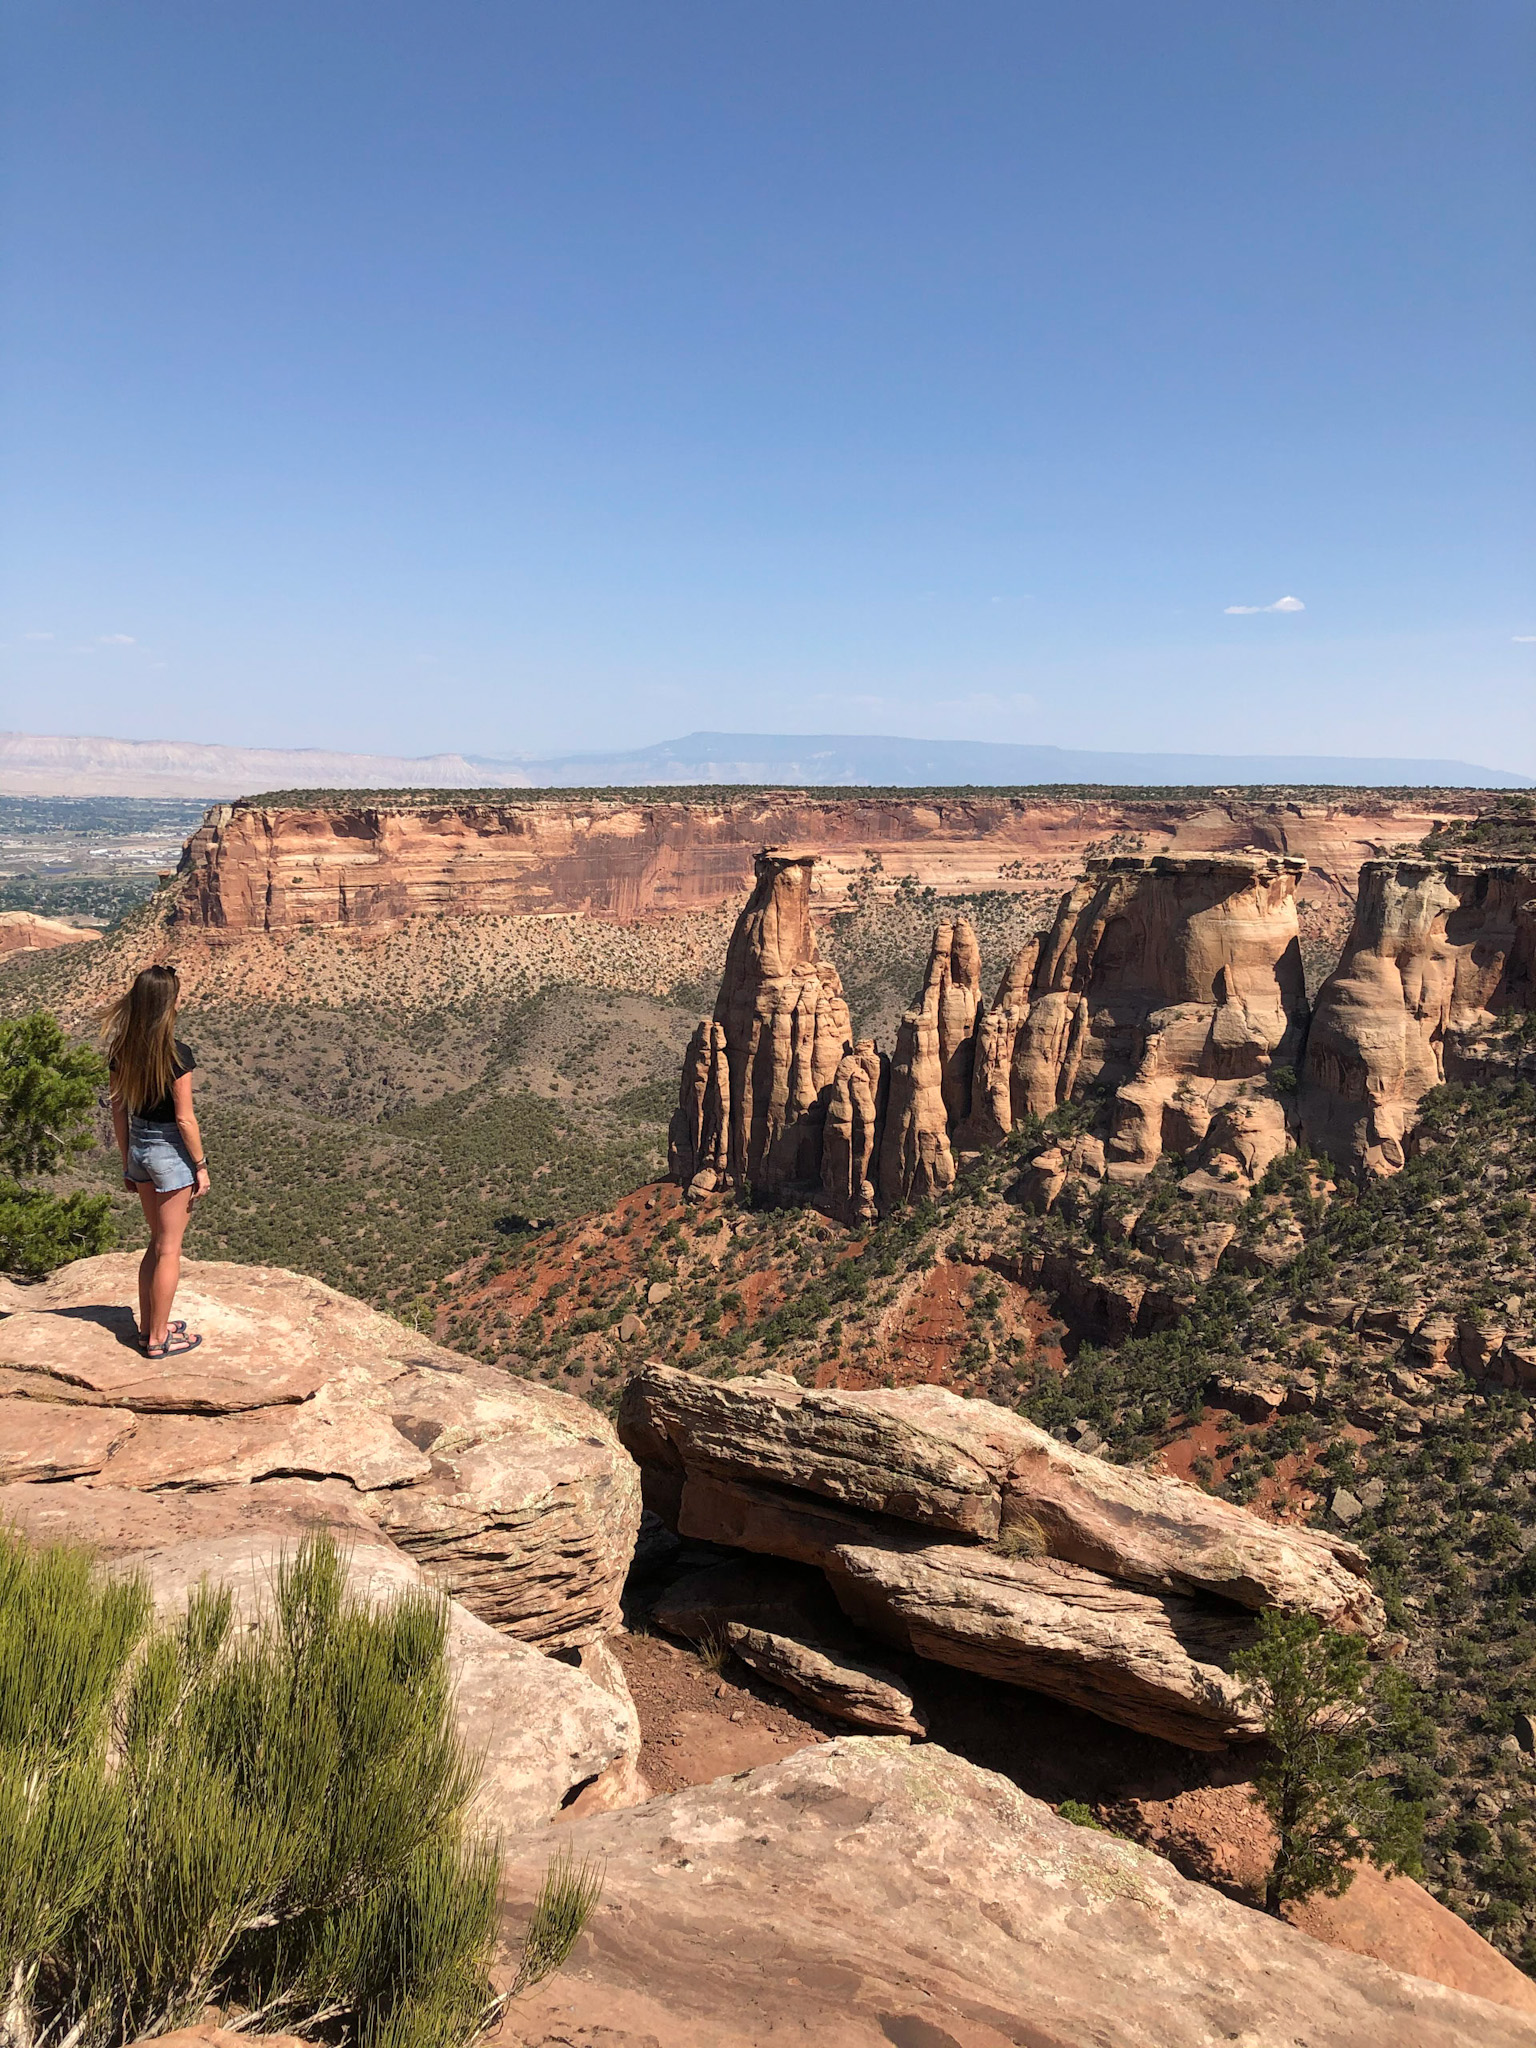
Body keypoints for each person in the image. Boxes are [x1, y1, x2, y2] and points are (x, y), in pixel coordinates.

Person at [103, 964, 210, 1358]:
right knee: (169, 1248)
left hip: (139, 1147)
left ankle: (150, 1326)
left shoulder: (120, 1050)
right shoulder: (176, 1055)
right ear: (170, 1004)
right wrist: (200, 1165)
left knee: (156, 1242)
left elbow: (118, 1110)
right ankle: (158, 1340)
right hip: (168, 1153)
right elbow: (184, 1118)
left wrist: (127, 1161)